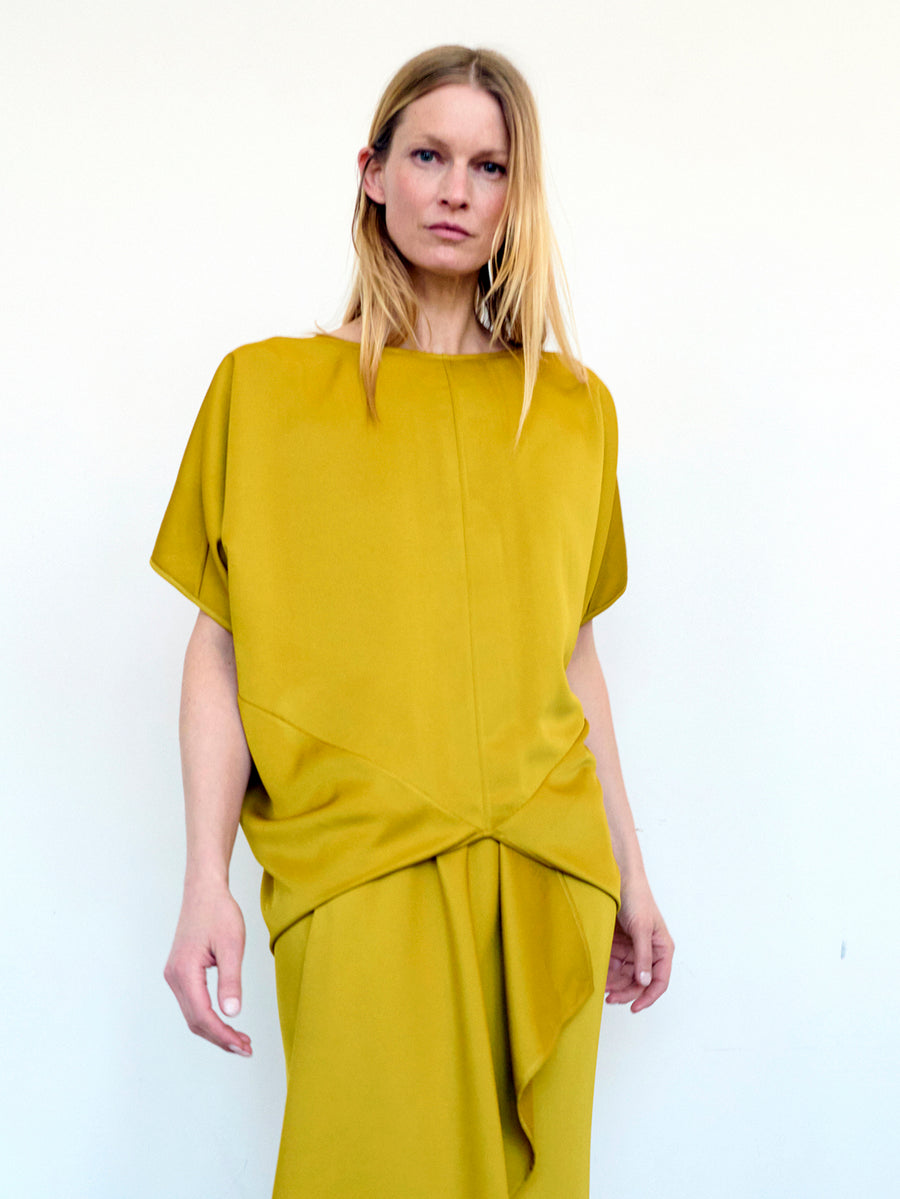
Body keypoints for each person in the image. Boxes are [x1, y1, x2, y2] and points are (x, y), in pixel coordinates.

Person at [151, 43, 674, 1199]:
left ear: (514, 194)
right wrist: (205, 881)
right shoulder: (268, 390)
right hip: (356, 863)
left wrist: (632, 873)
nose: (456, 190)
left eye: (489, 167)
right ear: (373, 172)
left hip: (551, 862)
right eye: (429, 155)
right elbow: (223, 641)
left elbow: (572, 656)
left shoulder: (577, 409)